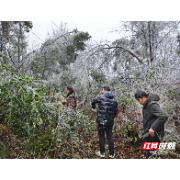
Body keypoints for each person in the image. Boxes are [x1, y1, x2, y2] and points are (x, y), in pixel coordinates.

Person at [135, 91, 168, 159]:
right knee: (155, 154)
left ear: (144, 97)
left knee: (150, 155)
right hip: (150, 135)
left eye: (139, 100)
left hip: (154, 134)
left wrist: (152, 128)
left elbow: (163, 116)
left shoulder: (151, 105)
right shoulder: (147, 105)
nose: (138, 102)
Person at [92, 86, 118, 159]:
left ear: (104, 90)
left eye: (102, 90)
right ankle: (112, 154)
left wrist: (94, 108)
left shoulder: (101, 96)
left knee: (101, 136)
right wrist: (112, 116)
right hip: (110, 121)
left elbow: (93, 101)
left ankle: (102, 153)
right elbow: (116, 109)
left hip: (101, 120)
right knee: (110, 136)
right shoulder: (114, 99)